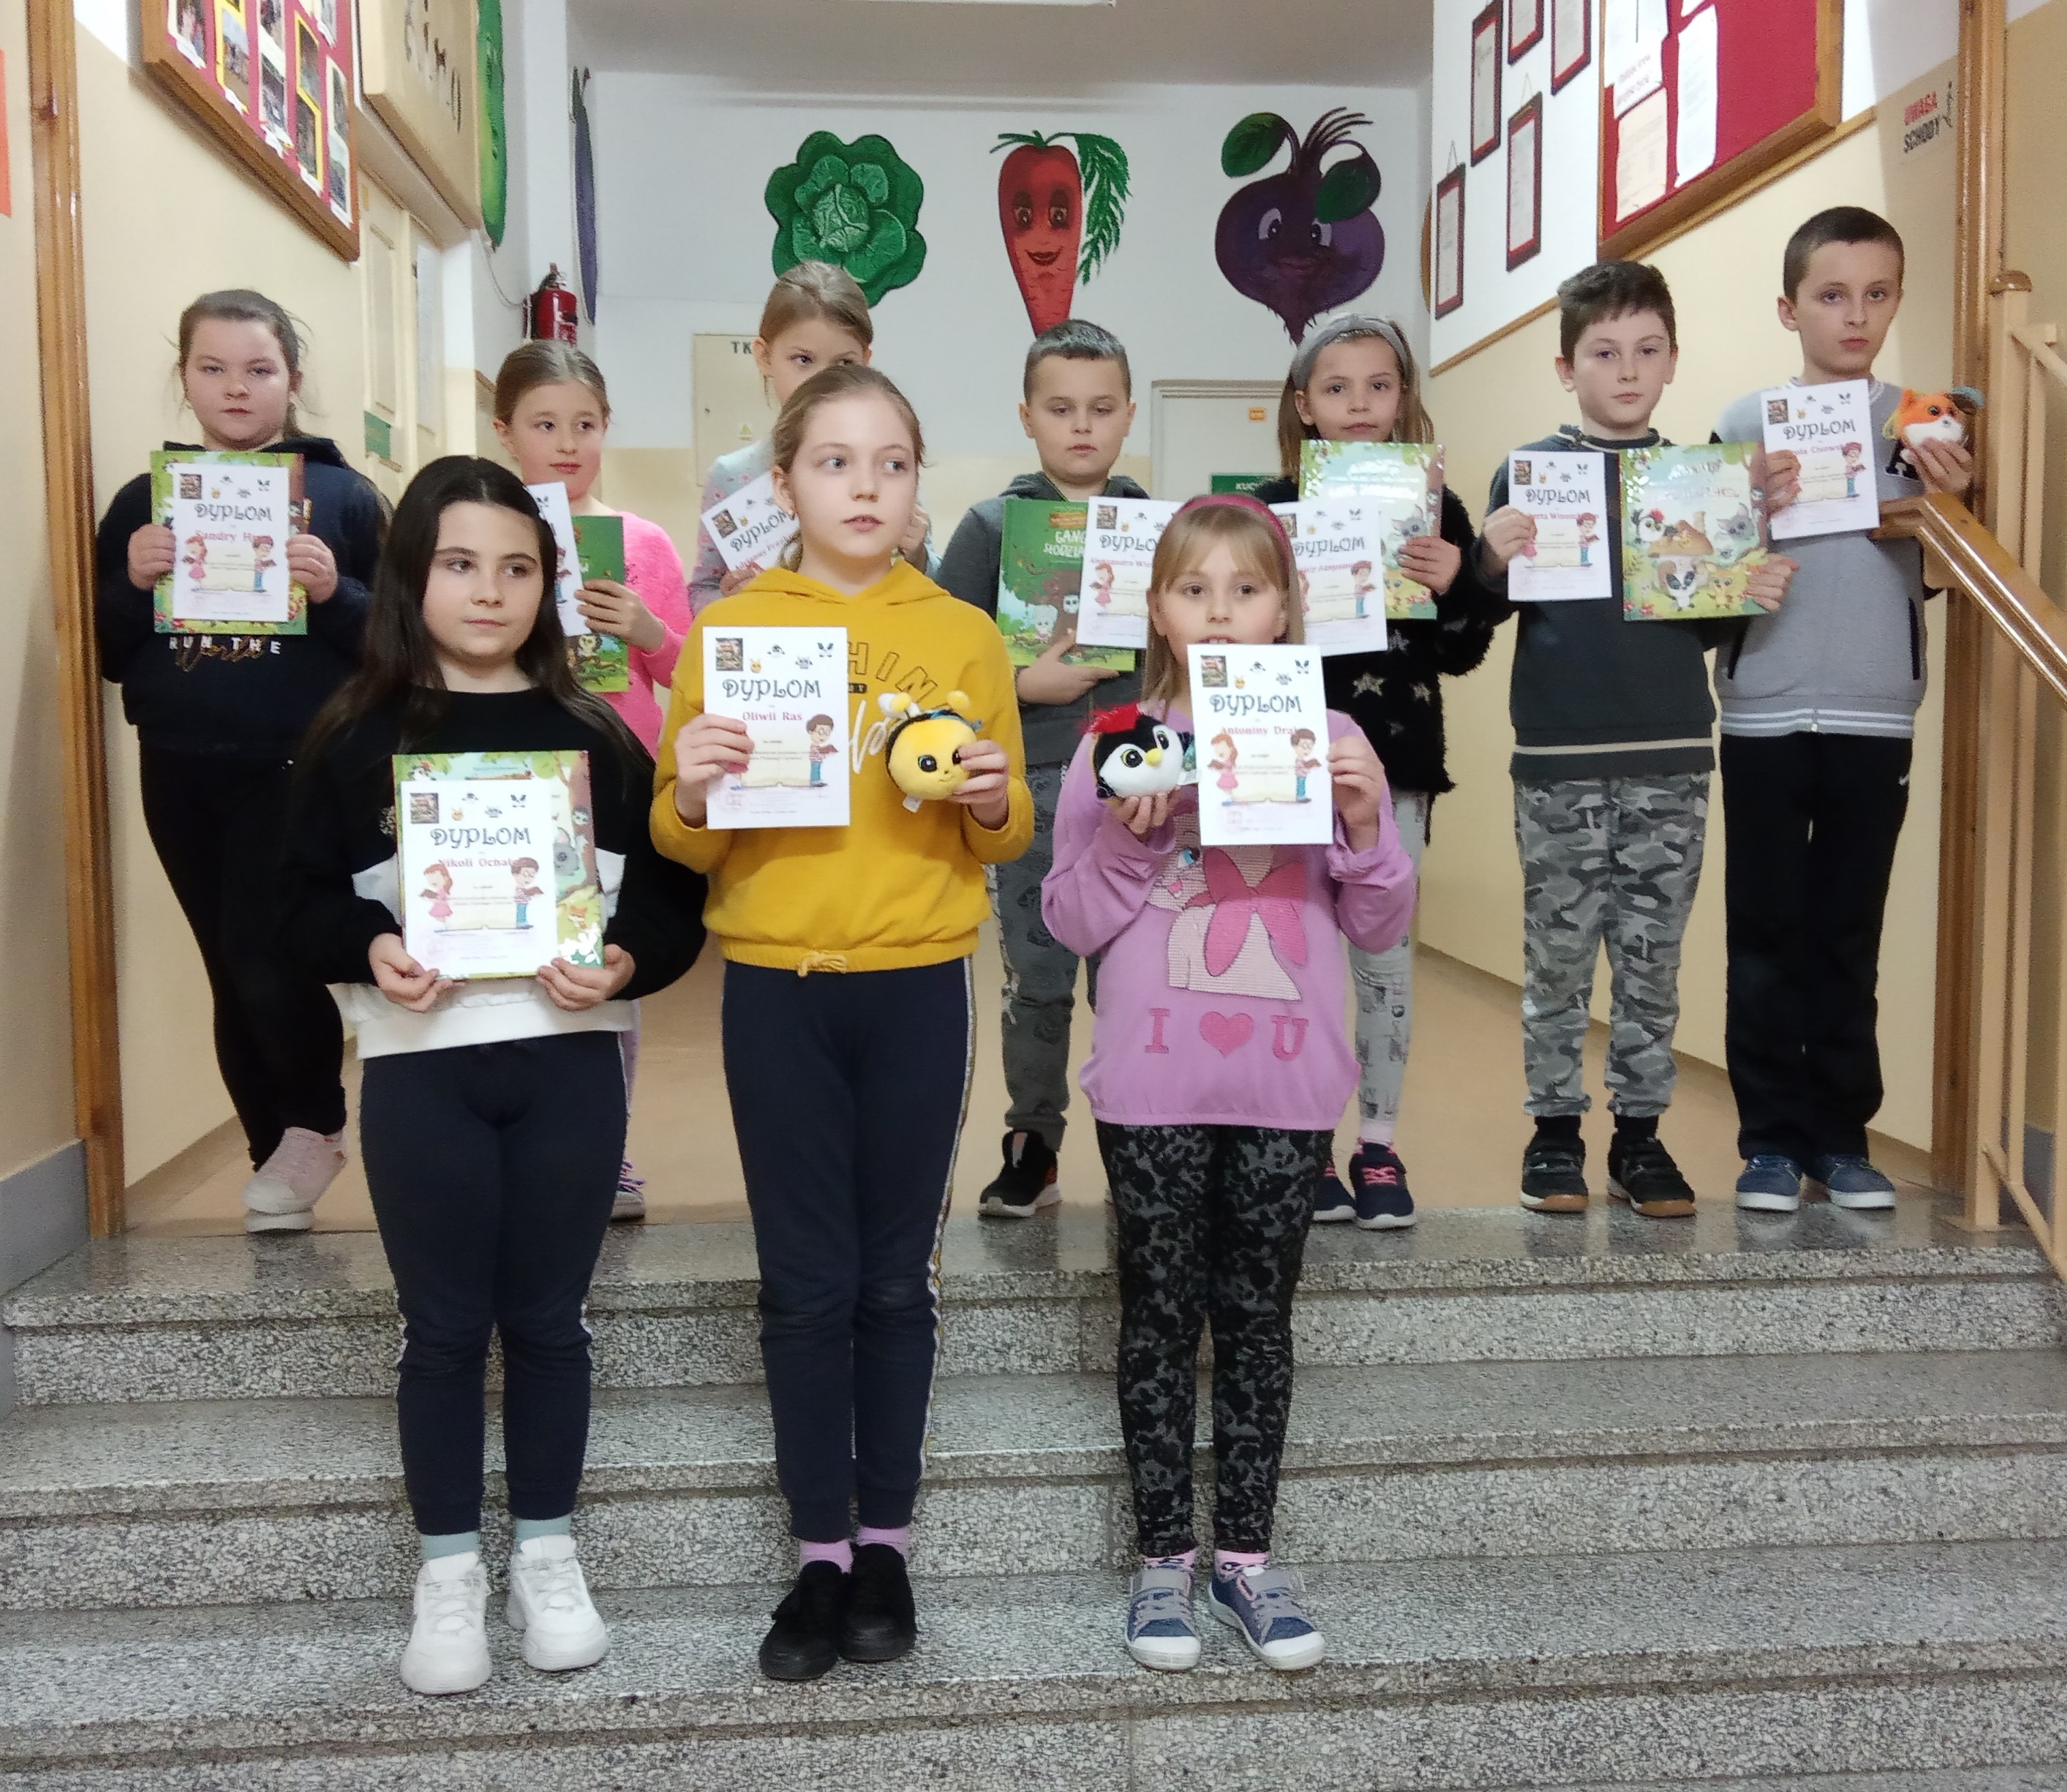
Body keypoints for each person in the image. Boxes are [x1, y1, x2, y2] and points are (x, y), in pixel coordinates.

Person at [277, 456, 706, 1696]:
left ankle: (548, 1555)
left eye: (518, 568)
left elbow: (673, 904)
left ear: (547, 585)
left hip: (568, 1068)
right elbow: (292, 906)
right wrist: (368, 945)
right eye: (460, 564)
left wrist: (625, 960)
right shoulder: (355, 735)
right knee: (443, 1328)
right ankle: (450, 1569)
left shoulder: (594, 737)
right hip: (422, 1072)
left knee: (552, 1320)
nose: (489, 590)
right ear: (412, 575)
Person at [653, 363, 1031, 1684]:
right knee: (804, 1279)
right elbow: (679, 837)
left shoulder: (964, 635)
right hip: (775, 987)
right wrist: (690, 786)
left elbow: (1005, 832)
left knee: (893, 1277)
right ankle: (817, 1547)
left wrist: (989, 795)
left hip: (918, 982)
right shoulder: (734, 631)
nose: (863, 486)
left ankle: (886, 1544)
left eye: (889, 463)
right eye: (833, 462)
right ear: (783, 484)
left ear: (917, 482)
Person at [1041, 495, 1416, 1674]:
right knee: (1158, 1318)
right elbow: (1067, 918)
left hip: (1285, 1086)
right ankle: (1162, 1557)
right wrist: (1127, 836)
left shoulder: (1332, 735)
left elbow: (1379, 921)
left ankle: (1246, 1557)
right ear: (1156, 606)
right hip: (1149, 1085)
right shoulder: (1115, 740)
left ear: (1284, 606)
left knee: (1256, 1319)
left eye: (1244, 589)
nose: (1218, 611)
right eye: (1192, 588)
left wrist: (1364, 821)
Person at [1478, 261, 1794, 1216]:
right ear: (1565, 366)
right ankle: (1552, 1133)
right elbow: (1490, 609)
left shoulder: (1699, 477)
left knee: (1652, 959)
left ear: (1671, 361)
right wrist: (1491, 558)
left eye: (1646, 351)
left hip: (1670, 755)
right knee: (1558, 958)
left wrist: (1747, 590)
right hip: (1557, 759)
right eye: (1604, 353)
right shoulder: (1528, 473)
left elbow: (1702, 624)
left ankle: (1640, 1138)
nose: (1626, 370)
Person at [95, 289, 385, 1233]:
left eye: (258, 369)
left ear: (291, 380)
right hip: (178, 761)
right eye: (212, 368)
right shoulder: (143, 503)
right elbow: (105, 651)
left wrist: (334, 590)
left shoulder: (343, 497)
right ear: (183, 378)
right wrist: (133, 581)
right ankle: (274, 1150)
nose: (235, 387)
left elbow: (397, 646)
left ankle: (314, 1124)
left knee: (268, 951)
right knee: (225, 961)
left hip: (294, 765)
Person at [1713, 207, 1968, 1214]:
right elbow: (1689, 571)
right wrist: (1743, 507)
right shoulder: (1742, 422)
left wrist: (1949, 504)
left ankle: (1841, 1138)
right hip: (1761, 711)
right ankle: (1769, 1144)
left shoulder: (1927, 422)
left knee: (1847, 934)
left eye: (1875, 294)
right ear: (1789, 309)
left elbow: (1943, 578)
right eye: (1830, 295)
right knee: (1763, 932)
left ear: (1896, 300)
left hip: (1875, 711)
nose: (1854, 315)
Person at [1253, 315, 1504, 1231]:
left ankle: (1379, 1144)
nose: (1358, 403)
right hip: (1285, 767)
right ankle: (1309, 1142)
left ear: (1402, 399)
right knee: (1297, 957)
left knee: (1383, 961)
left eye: (1378, 385)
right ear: (1303, 406)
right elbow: (1230, 637)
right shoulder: (1266, 509)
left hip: (1394, 769)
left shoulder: (1436, 509)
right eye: (1336, 387)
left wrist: (1457, 582)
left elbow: (1464, 652)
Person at [934, 318, 1145, 1217]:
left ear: (1128, 414)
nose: (1082, 425)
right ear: (1026, 416)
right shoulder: (989, 528)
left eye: (1101, 408)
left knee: (1135, 977)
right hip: (1034, 787)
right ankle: (1032, 1141)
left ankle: (1140, 1140)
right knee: (1038, 976)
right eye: (1060, 409)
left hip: (1138, 786)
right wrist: (1023, 685)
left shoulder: (1155, 527)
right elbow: (942, 668)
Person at [492, 340, 694, 1221]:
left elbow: (688, 672)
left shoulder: (641, 543)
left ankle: (607, 1151)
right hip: (517, 777)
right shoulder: (488, 539)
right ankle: (519, 1143)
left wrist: (647, 628)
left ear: (608, 428)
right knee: (515, 963)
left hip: (616, 780)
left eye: (585, 424)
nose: (567, 443)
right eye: (544, 425)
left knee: (607, 971)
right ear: (505, 432)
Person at [688, 261, 930, 615]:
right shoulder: (732, 477)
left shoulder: (884, 466)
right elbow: (701, 590)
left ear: (866, 361)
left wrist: (918, 553)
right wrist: (734, 603)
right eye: (803, 359)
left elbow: (936, 586)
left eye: (844, 364)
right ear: (764, 356)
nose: (822, 380)